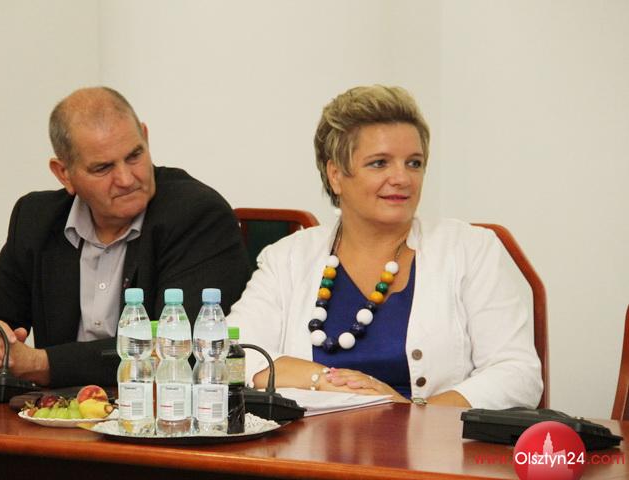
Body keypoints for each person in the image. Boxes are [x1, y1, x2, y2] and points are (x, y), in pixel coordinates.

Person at [227, 85, 542, 409]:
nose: (402, 178)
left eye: (414, 163)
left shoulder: (470, 249)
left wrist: (413, 416)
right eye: (379, 163)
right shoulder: (288, 258)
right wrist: (326, 380)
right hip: (309, 440)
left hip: (433, 439)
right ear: (335, 175)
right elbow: (228, 353)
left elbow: (518, 374)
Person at [0, 87, 250, 388]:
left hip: (153, 409)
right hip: (58, 411)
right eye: (103, 168)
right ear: (63, 173)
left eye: (134, 156)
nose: (126, 179)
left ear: (145, 137)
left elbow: (179, 349)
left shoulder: (197, 214)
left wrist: (39, 363)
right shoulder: (37, 219)